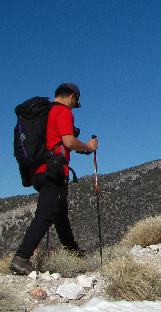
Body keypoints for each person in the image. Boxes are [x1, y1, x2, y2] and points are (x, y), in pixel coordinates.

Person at [9, 83, 99, 275]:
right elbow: (68, 141)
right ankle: (22, 257)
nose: (74, 106)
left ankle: (73, 252)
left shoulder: (45, 112)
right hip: (53, 171)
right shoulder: (62, 112)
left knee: (60, 215)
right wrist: (89, 146)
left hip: (38, 170)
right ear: (72, 97)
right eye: (75, 102)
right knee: (46, 215)